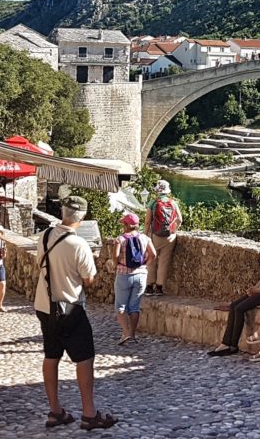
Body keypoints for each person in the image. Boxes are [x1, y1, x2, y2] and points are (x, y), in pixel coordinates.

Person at [34, 196, 117, 430]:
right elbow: (88, 280)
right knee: (84, 358)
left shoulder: (46, 236)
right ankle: (89, 414)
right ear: (81, 218)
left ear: (63, 212)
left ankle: (55, 411)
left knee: (51, 356)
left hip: (44, 306)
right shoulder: (79, 244)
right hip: (69, 307)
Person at [208, 225, 260, 357]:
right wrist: (254, 288)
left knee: (240, 309)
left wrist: (259, 290)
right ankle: (226, 343)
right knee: (234, 305)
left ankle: (232, 345)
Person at [111, 212, 156, 345]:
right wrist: (144, 265)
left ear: (125, 225)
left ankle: (125, 333)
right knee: (134, 307)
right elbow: (153, 254)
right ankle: (132, 334)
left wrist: (117, 265)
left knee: (120, 306)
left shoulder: (120, 239)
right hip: (141, 275)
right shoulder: (145, 238)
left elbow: (115, 256)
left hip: (124, 275)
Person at [144, 180, 182, 295]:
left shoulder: (153, 203)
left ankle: (149, 286)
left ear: (157, 190)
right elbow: (180, 219)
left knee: (152, 260)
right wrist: (174, 230)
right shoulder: (173, 203)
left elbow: (147, 222)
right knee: (164, 261)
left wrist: (145, 235)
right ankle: (159, 288)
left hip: (155, 235)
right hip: (170, 237)